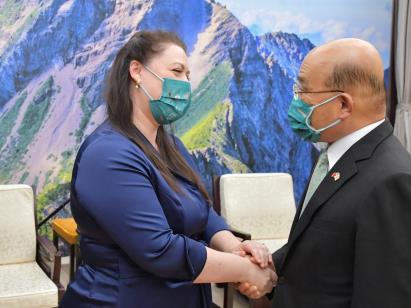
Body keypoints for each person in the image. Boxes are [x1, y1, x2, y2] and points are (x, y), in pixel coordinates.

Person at [60, 30, 277, 308]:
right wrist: (244, 269)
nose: (185, 84)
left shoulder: (172, 146)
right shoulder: (108, 154)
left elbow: (202, 211)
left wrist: (235, 247)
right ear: (136, 71)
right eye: (176, 71)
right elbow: (160, 250)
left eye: (188, 75)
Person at [238, 38, 411, 307]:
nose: (296, 101)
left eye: (304, 92)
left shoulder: (394, 183)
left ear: (343, 105)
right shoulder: (336, 156)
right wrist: (269, 266)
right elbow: (319, 248)